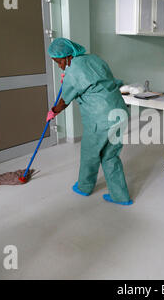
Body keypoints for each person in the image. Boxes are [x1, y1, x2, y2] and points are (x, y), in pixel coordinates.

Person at [47, 38, 133, 206]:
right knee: (110, 156)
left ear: (67, 56)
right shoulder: (94, 59)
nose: (59, 66)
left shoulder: (73, 70)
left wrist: (53, 111)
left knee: (90, 154)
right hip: (119, 112)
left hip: (100, 118)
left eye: (59, 62)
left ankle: (84, 187)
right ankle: (120, 196)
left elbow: (65, 100)